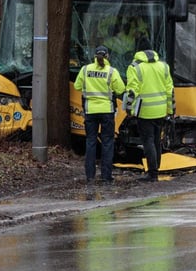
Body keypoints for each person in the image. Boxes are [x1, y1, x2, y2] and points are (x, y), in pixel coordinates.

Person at [124, 35, 174, 182]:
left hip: (145, 111)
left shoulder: (134, 67)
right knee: (157, 140)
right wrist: (170, 111)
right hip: (160, 111)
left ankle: (152, 174)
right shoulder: (163, 66)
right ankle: (156, 168)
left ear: (138, 50)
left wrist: (129, 110)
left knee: (148, 141)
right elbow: (170, 90)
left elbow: (132, 91)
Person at [73, 46, 125, 186]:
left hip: (90, 111)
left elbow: (77, 86)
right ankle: (106, 176)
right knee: (107, 143)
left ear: (94, 56)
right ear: (107, 56)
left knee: (90, 142)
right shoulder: (111, 71)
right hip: (107, 111)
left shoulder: (85, 70)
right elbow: (121, 89)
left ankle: (90, 176)